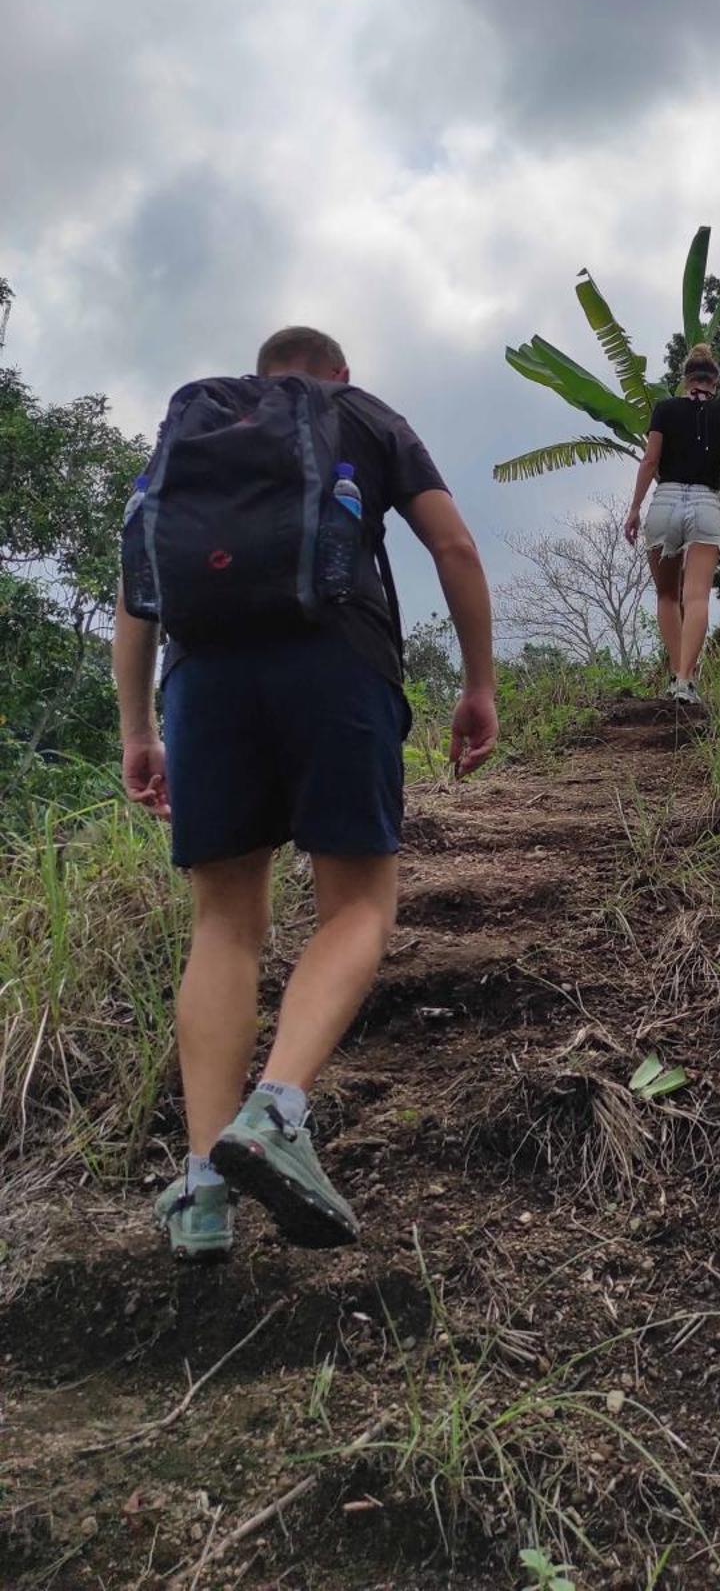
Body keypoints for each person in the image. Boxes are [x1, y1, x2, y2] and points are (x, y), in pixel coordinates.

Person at [113, 325, 498, 1262]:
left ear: (259, 375)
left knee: (224, 923)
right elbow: (452, 545)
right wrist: (478, 683)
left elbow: (137, 594)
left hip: (202, 679)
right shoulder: (364, 414)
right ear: (337, 372)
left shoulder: (193, 432)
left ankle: (205, 1187)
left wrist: (138, 729)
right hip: (338, 662)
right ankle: (278, 1110)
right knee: (358, 903)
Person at [623, 342, 720, 703]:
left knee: (666, 595)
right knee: (696, 597)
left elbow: (649, 462)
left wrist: (634, 508)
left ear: (685, 379)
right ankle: (685, 681)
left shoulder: (664, 409)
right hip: (707, 504)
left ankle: (678, 676)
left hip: (665, 501)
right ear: (715, 381)